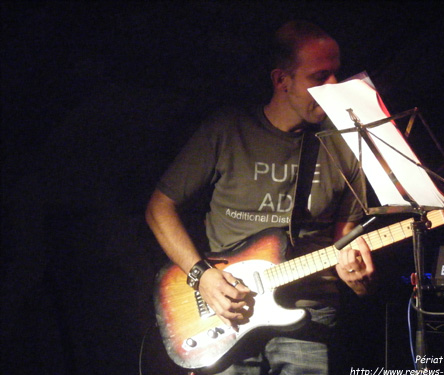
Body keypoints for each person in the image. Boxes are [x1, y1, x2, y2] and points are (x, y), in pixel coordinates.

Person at [146, 20, 376, 375]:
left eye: (336, 75)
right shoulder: (227, 129)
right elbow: (159, 209)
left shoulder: (347, 143)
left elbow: (346, 242)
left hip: (310, 310)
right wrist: (201, 276)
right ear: (281, 80)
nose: (333, 86)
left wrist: (356, 277)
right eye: (319, 76)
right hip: (227, 307)